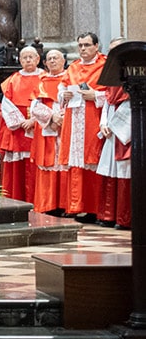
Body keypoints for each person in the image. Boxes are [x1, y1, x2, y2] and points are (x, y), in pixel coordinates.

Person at [59, 32, 107, 223]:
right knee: (76, 164)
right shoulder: (73, 67)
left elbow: (112, 94)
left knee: (92, 162)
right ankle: (76, 205)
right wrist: (65, 95)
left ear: (96, 46)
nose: (83, 49)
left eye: (87, 45)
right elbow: (62, 89)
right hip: (74, 120)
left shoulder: (104, 66)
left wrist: (95, 96)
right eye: (80, 45)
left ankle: (95, 209)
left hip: (93, 119)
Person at [0, 46, 41, 202]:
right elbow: (6, 104)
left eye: (31, 57)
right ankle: (16, 199)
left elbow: (49, 102)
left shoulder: (45, 78)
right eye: (24, 57)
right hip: (17, 130)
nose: (28, 60)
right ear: (19, 60)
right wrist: (21, 122)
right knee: (17, 168)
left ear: (38, 59)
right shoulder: (13, 79)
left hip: (38, 128)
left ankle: (38, 201)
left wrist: (34, 120)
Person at [97, 38, 131, 230]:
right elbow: (108, 100)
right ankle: (108, 215)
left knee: (124, 173)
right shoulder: (111, 73)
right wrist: (103, 123)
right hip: (111, 125)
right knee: (110, 173)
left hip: (125, 126)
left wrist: (115, 125)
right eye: (110, 50)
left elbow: (131, 101)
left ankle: (124, 218)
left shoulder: (134, 71)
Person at [33, 50, 67, 214]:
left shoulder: (70, 78)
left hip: (66, 127)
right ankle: (49, 203)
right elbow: (34, 106)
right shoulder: (41, 80)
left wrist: (62, 118)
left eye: (56, 58)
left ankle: (66, 205)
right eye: (49, 59)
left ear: (63, 60)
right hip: (47, 128)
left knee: (65, 164)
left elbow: (76, 101)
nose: (53, 61)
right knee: (49, 163)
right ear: (45, 63)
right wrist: (52, 117)